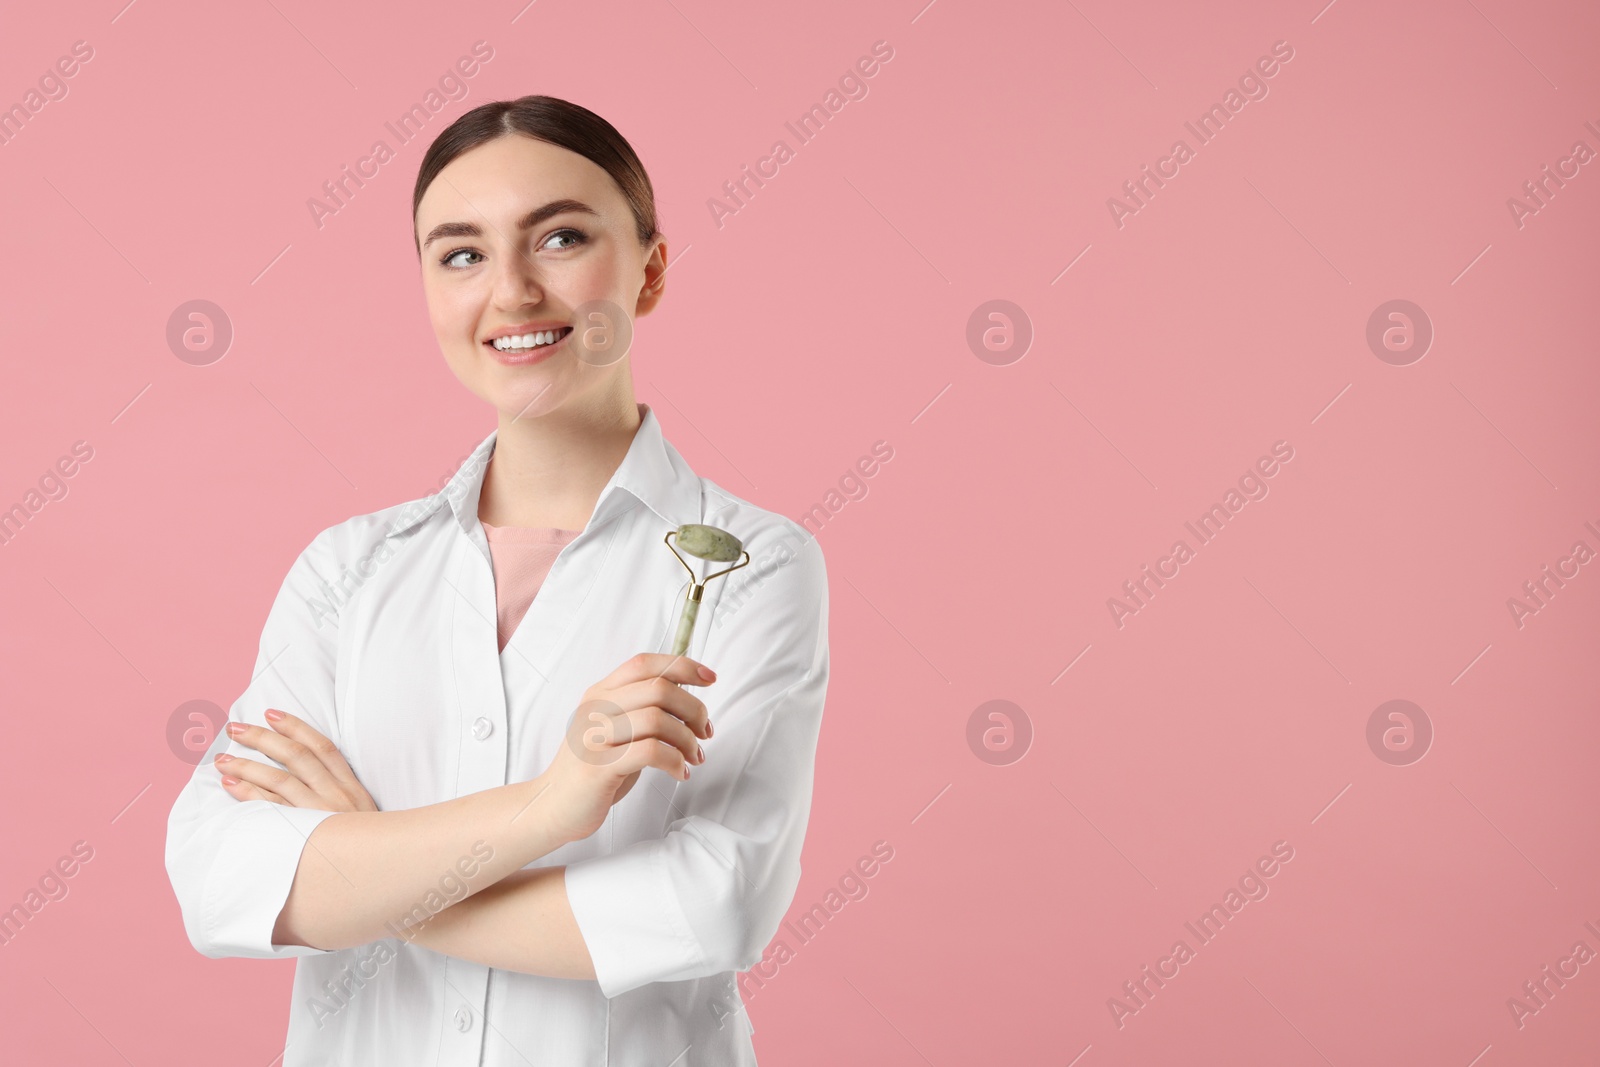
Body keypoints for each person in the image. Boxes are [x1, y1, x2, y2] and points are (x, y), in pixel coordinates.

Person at [164, 95, 829, 1067]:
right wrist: (550, 807)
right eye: (461, 253)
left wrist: (374, 876)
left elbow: (712, 901)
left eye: (558, 236)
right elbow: (222, 876)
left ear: (649, 267)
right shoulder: (347, 572)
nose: (511, 290)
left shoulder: (752, 560)